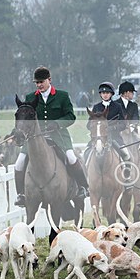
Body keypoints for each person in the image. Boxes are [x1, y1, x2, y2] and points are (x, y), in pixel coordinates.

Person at [13, 66, 88, 206]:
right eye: (37, 82)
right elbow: (25, 117)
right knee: (19, 162)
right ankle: (21, 195)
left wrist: (58, 123)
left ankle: (82, 187)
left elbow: (71, 116)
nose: (39, 85)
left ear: (49, 80)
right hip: (34, 138)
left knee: (71, 158)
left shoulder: (62, 96)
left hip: (59, 137)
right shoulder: (31, 97)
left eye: (41, 81)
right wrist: (18, 130)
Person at [88, 81, 130, 163]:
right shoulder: (96, 107)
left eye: (107, 92)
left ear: (111, 94)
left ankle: (126, 174)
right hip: (98, 138)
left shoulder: (118, 106)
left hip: (115, 138)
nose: (105, 94)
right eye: (103, 93)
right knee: (85, 154)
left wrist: (112, 128)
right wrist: (95, 127)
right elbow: (88, 124)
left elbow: (123, 124)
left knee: (127, 155)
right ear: (100, 94)